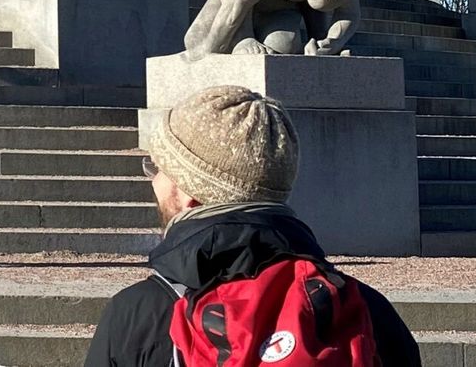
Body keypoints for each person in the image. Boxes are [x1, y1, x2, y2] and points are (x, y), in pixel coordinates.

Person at [84, 85, 420, 367]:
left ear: (189, 192)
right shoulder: (365, 312)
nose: (153, 180)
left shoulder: (136, 318)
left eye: (157, 167)